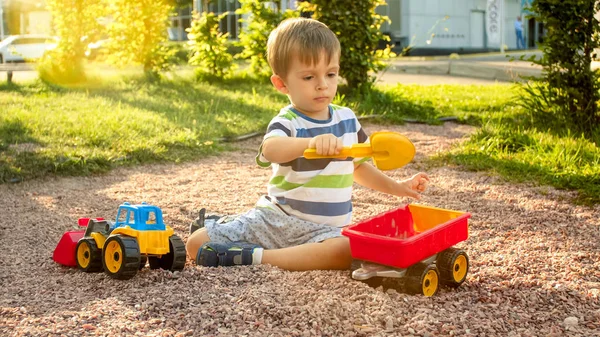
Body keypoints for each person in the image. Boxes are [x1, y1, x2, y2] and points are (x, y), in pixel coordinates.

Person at [185, 17, 429, 271]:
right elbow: (271, 149)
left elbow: (359, 168)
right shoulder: (288, 121)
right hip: (275, 220)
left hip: (323, 231)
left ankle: (256, 257)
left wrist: (398, 187)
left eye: (331, 74)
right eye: (309, 76)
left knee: (350, 249)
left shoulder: (346, 119)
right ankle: (240, 235)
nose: (323, 84)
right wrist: (309, 143)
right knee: (196, 243)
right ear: (281, 83)